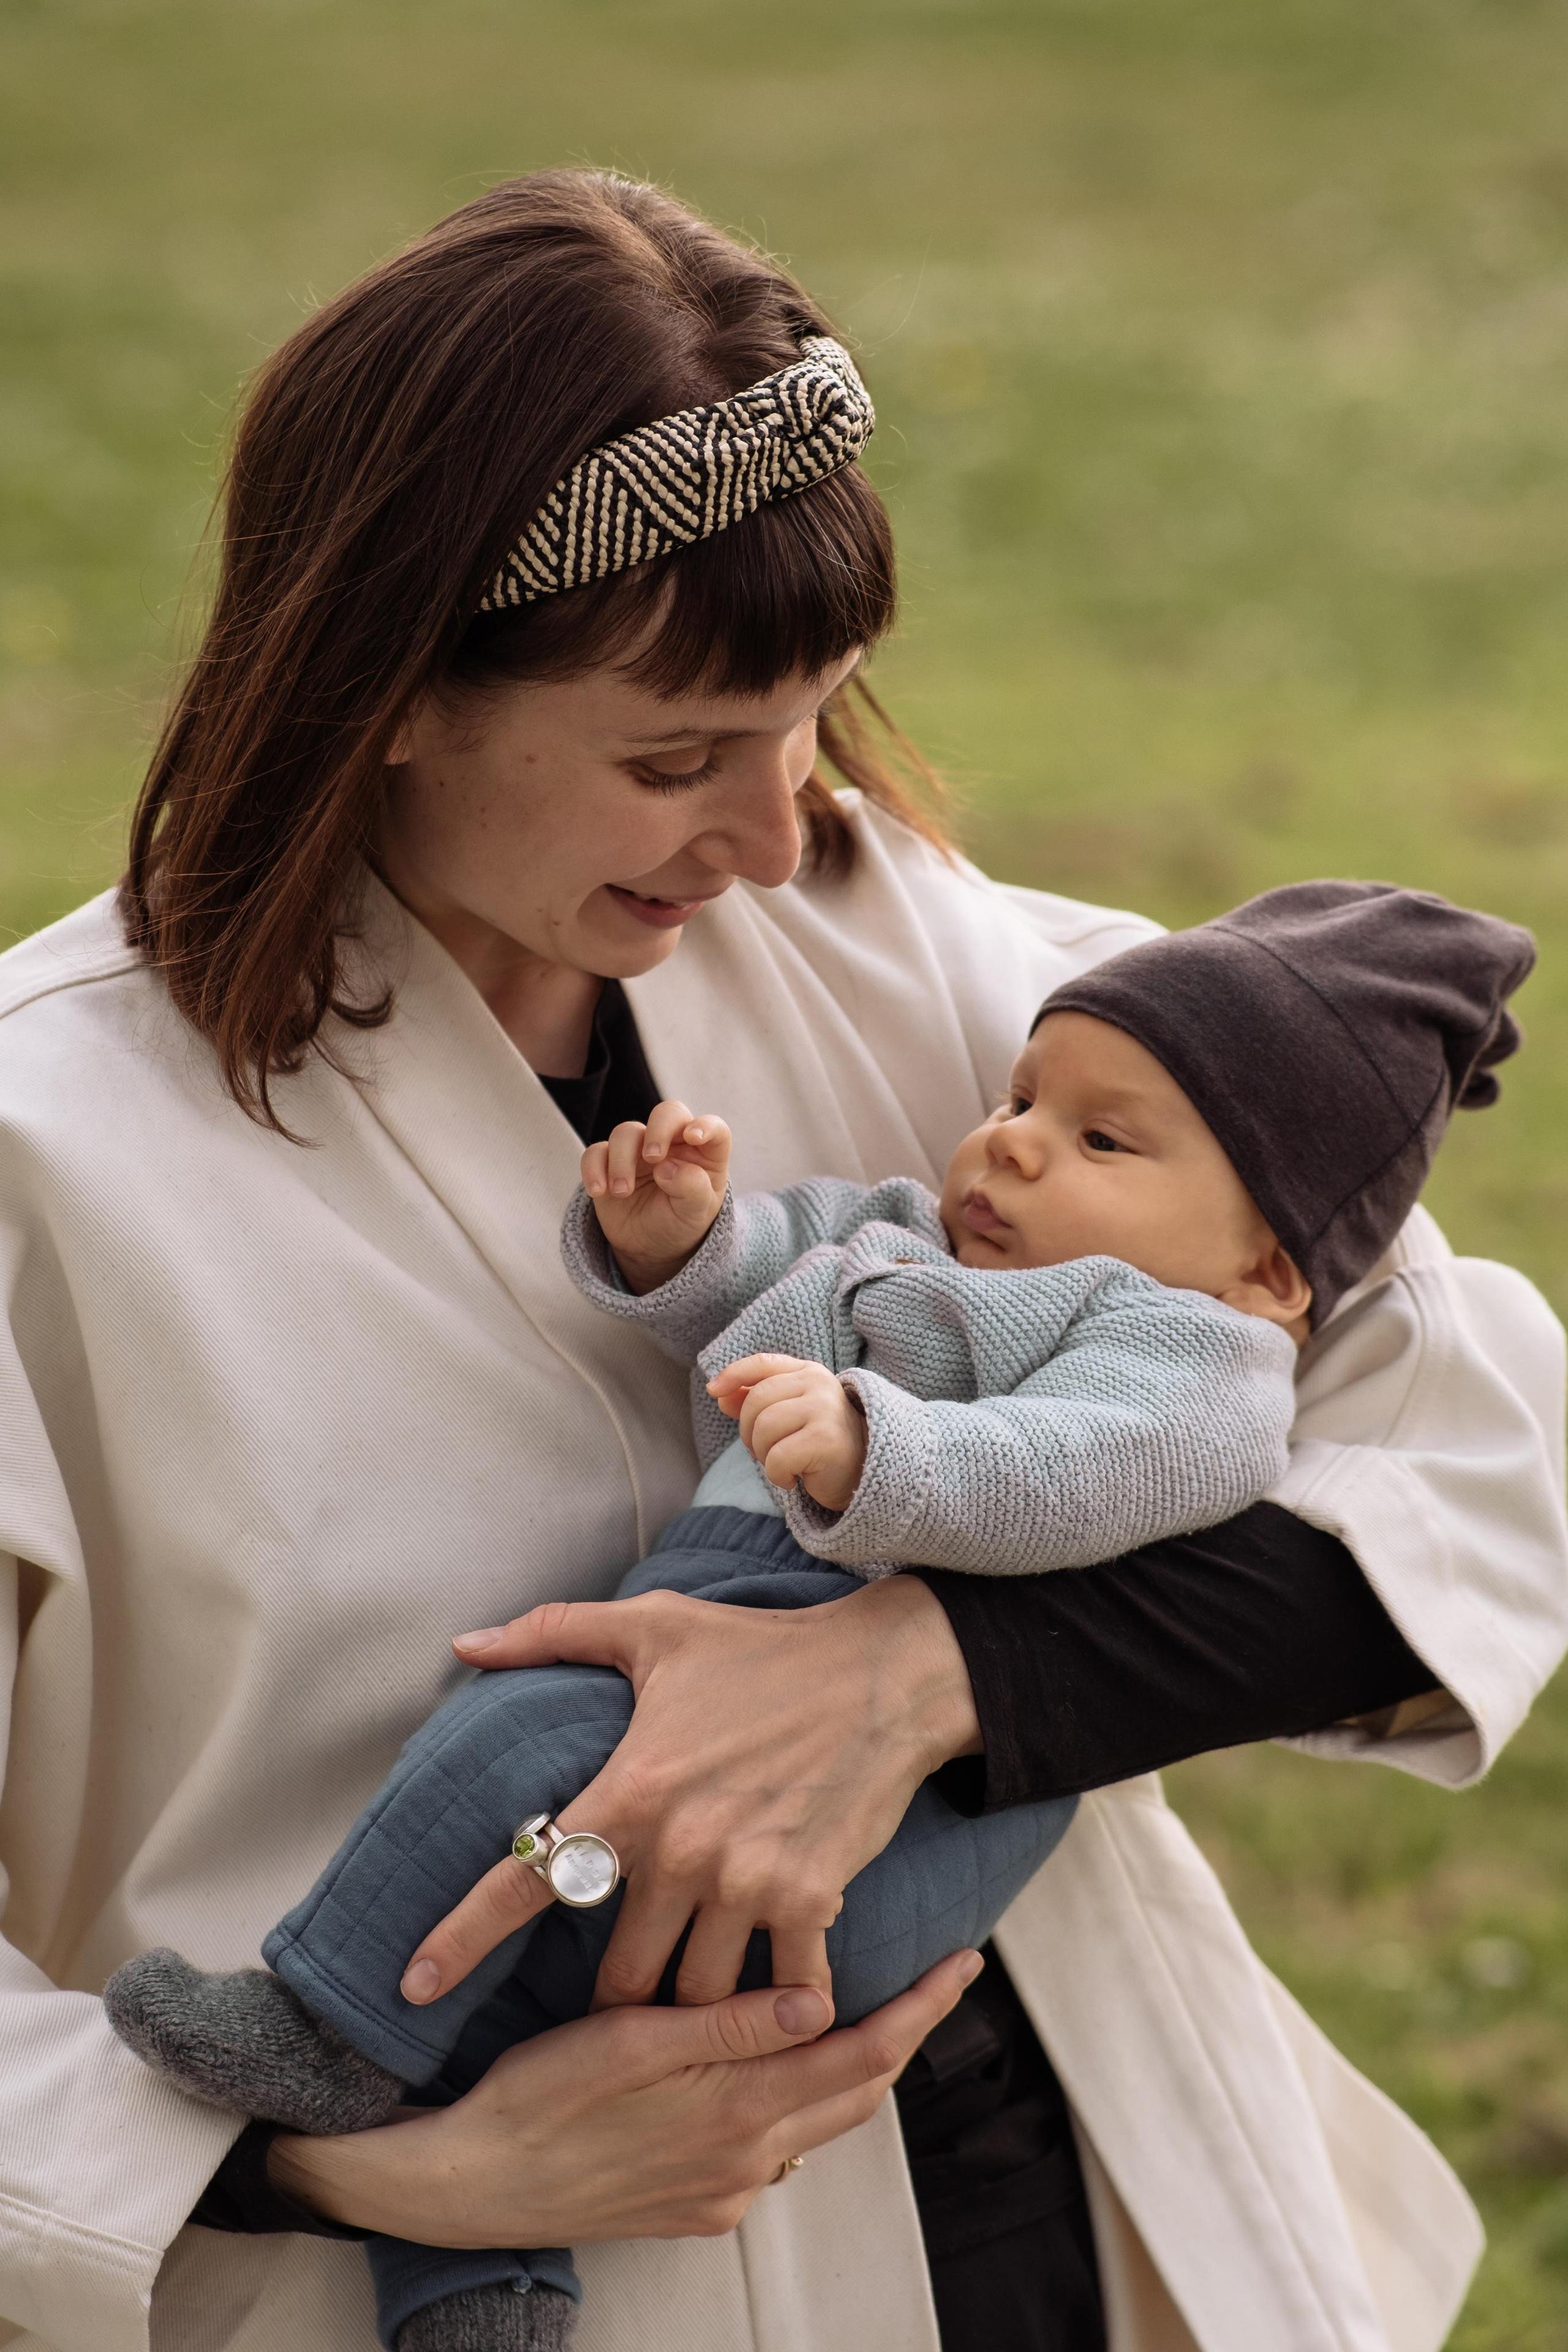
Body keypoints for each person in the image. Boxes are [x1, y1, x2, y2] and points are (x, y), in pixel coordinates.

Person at [0, 167, 1562, 2352]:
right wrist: (342, 2157)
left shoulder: (898, 946)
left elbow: (1470, 1422)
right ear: (393, 695)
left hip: (1053, 2210)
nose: (770, 832)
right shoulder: (43, 1161)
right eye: (672, 760)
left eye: (813, 714)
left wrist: (927, 1680)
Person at [102, 880, 1531, 2352]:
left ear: (1270, 1269)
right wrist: (680, 1246)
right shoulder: (922, 1239)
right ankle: (483, 2283)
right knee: (521, 2015)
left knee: (517, 1740)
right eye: (1019, 1097)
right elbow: (774, 1278)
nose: (1016, 1141)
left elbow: (1079, 1473)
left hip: (854, 1721)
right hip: (733, 1630)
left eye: (1099, 1141)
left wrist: (879, 1459)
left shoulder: (1189, 1353)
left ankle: (321, 2028)